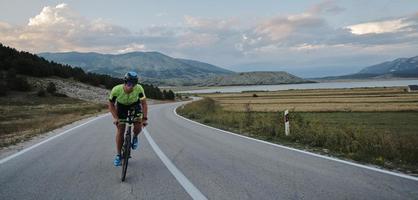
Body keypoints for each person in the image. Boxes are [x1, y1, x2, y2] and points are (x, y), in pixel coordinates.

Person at [108, 71, 148, 166]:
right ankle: (118, 155)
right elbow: (111, 104)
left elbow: (144, 104)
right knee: (120, 129)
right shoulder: (116, 90)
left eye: (134, 84)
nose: (131, 87)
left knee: (138, 124)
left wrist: (144, 118)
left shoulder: (139, 89)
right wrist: (115, 118)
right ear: (125, 83)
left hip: (135, 106)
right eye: (129, 84)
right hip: (121, 107)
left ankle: (134, 136)